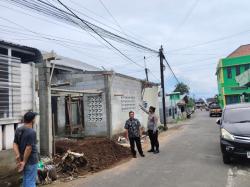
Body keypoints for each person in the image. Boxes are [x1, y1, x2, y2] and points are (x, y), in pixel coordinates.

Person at [13, 111, 38, 187]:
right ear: (33, 120)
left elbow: (15, 143)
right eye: (35, 118)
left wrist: (18, 156)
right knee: (30, 180)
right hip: (30, 160)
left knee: (26, 178)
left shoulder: (18, 129)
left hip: (22, 159)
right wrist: (24, 162)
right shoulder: (32, 132)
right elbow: (29, 148)